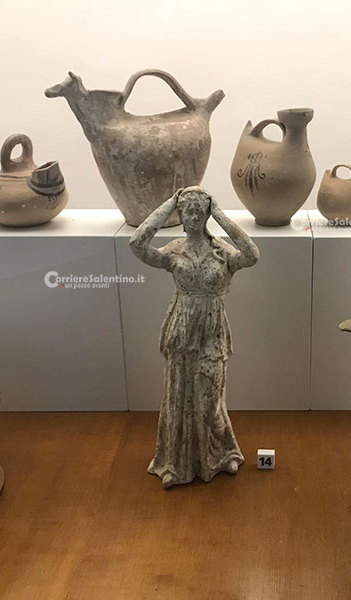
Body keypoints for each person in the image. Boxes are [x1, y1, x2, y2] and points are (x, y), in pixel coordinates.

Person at [129, 187, 259, 488]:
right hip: (181, 328)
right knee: (180, 396)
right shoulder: (174, 250)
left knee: (209, 399)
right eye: (188, 211)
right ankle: (177, 465)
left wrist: (220, 213)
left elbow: (252, 255)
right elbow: (137, 243)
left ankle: (221, 453)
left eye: (199, 211)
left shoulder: (221, 252)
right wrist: (169, 204)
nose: (193, 216)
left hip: (212, 328)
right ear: (181, 215)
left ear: (206, 214)